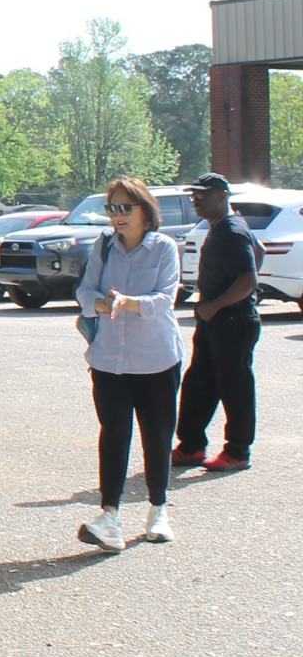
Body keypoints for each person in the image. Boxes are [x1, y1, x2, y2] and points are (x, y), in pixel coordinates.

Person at [74, 177, 187, 552]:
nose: (117, 216)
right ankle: (110, 518)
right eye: (111, 209)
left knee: (156, 436)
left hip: (155, 359)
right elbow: (85, 291)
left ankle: (158, 511)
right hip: (109, 360)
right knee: (114, 434)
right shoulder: (103, 246)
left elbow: (165, 298)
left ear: (145, 210)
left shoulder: (164, 248)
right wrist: (100, 304)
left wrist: (129, 302)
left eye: (125, 208)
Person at [174, 172, 261, 472]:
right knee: (199, 382)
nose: (196, 200)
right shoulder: (223, 227)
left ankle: (237, 451)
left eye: (203, 195)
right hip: (216, 321)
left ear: (223, 197)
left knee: (234, 387)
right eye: (193, 195)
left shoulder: (232, 231)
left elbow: (250, 277)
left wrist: (218, 303)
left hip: (233, 322)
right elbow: (259, 253)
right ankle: (191, 446)